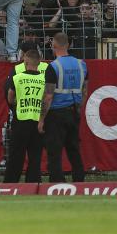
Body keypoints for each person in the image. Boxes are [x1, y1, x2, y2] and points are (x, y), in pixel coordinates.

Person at [39, 32, 87, 183]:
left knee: (54, 151)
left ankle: (57, 181)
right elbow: (85, 91)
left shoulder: (53, 67)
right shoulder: (82, 64)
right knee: (74, 149)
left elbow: (48, 96)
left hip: (56, 113)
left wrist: (41, 119)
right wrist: (78, 108)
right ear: (69, 45)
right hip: (73, 111)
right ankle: (79, 180)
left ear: (53, 46)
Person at [3, 48, 46, 183]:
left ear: (25, 61)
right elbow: (48, 99)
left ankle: (10, 183)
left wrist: (18, 102)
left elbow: (10, 97)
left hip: (20, 121)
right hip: (37, 121)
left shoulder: (18, 77)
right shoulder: (44, 79)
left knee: (16, 155)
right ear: (39, 62)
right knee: (35, 156)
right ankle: (33, 183)